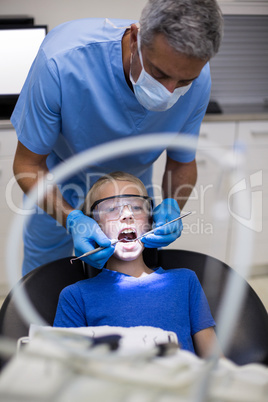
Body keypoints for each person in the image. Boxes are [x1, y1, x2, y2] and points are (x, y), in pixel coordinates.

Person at [11, 0, 223, 275]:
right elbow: (28, 165)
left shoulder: (199, 79)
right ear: (136, 38)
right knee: (46, 280)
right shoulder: (61, 61)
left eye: (183, 82)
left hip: (132, 181)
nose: (170, 92)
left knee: (125, 276)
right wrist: (71, 219)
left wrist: (171, 206)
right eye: (160, 74)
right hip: (57, 179)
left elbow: (181, 162)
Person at [53, 171, 220, 358]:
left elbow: (215, 361)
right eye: (111, 208)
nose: (127, 215)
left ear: (151, 221)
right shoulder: (76, 296)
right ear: (94, 226)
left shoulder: (185, 281)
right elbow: (64, 368)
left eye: (137, 207)